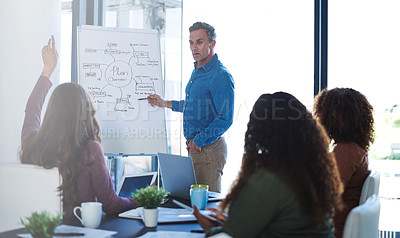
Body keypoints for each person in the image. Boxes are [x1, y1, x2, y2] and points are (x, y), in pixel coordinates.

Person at [194, 92, 343, 237]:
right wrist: (236, 225)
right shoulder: (315, 172)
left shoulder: (268, 181)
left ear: (259, 133)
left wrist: (212, 230)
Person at [19, 36, 138, 219]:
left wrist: (47, 71)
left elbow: (32, 110)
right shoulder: (90, 150)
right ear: (85, 114)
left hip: (44, 230)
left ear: (52, 112)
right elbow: (111, 205)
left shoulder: (33, 144)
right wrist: (141, 199)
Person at [147, 22, 234, 192]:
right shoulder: (198, 71)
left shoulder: (219, 75)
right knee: (193, 206)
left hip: (208, 150)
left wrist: (198, 141)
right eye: (191, 42)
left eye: (200, 42)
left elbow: (226, 118)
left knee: (206, 208)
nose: (194, 47)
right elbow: (195, 106)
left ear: (212, 43)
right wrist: (164, 103)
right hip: (197, 149)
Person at [314, 88, 374, 238]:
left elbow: (326, 196)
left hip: (332, 231)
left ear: (332, 117)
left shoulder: (346, 151)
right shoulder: (355, 150)